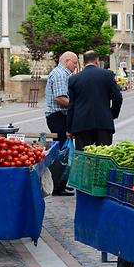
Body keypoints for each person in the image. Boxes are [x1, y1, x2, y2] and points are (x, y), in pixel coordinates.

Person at [66, 51, 123, 150]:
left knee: (84, 158)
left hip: (81, 125)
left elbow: (71, 105)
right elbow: (117, 98)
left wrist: (69, 128)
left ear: (84, 62)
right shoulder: (108, 75)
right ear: (97, 61)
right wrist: (112, 114)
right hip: (103, 124)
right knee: (103, 156)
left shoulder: (74, 79)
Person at [44, 51, 78, 196]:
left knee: (63, 150)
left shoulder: (63, 73)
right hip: (57, 116)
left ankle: (60, 183)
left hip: (59, 116)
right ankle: (58, 185)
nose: (75, 66)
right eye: (74, 63)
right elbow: (60, 98)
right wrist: (76, 107)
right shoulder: (59, 74)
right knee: (61, 152)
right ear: (66, 61)